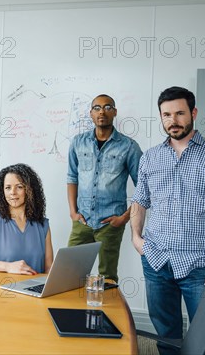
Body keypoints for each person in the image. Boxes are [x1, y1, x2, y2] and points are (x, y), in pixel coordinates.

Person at [130, 86, 205, 355]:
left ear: (193, 113)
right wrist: (137, 238)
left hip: (200, 269)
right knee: (166, 336)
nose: (173, 120)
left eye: (180, 113)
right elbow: (139, 200)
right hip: (156, 261)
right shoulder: (150, 157)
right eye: (166, 114)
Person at [66, 94, 142, 282]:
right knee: (69, 274)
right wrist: (73, 213)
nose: (102, 112)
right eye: (97, 108)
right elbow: (71, 177)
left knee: (107, 278)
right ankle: (73, 311)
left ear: (115, 112)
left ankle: (103, 312)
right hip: (82, 221)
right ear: (91, 113)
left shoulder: (129, 146)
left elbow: (144, 187)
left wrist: (124, 217)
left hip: (110, 224)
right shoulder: (78, 142)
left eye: (108, 107)